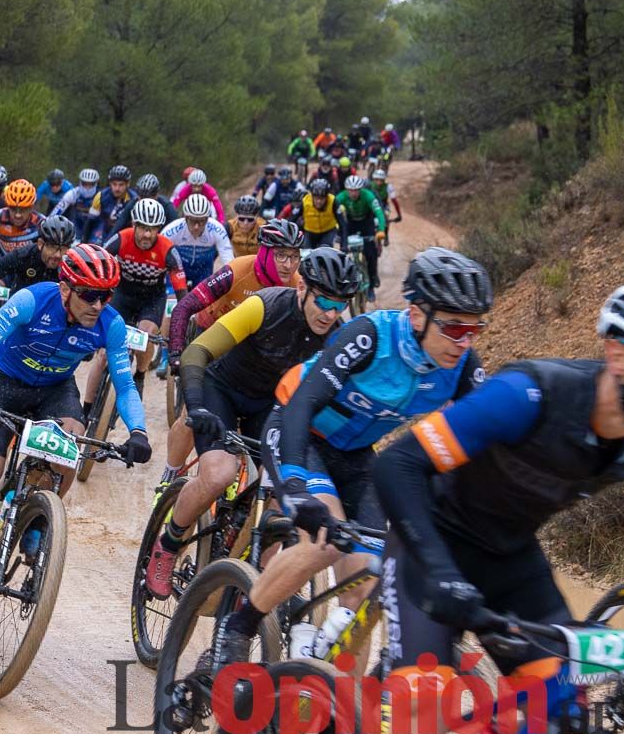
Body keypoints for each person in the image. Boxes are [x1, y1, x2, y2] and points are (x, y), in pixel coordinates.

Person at [369, 278, 624, 734]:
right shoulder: (530, 395)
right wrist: (441, 574)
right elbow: (397, 464)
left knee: (567, 721)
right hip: (431, 549)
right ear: (620, 357)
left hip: (511, 559)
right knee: (420, 730)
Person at [207, 249, 491, 675]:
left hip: (356, 455)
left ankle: (332, 715)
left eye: (474, 329)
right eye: (453, 327)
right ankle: (237, 627)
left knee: (365, 582)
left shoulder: (463, 365)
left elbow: (482, 447)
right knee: (325, 540)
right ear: (416, 315)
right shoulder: (369, 336)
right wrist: (299, 486)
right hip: (297, 431)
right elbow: (304, 402)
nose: (463, 341)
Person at [0, 244, 153, 609]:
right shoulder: (33, 300)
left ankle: (35, 521)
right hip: (5, 382)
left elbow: (125, 385)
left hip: (55, 390)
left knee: (69, 452)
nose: (98, 304)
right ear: (66, 289)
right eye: (90, 295)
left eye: (106, 295)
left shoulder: (110, 324)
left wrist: (138, 432)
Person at [143, 249, 358, 598]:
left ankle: (253, 583)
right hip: (222, 389)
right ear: (302, 288)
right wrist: (196, 407)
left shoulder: (338, 336)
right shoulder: (266, 305)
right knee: (219, 473)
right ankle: (168, 544)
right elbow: (198, 352)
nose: (331, 314)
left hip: (272, 408)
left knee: (285, 494)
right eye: (324, 302)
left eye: (340, 305)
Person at [156, 219, 307, 491]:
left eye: (295, 256)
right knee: (192, 415)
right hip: (211, 336)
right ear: (264, 253)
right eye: (281, 255)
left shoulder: (297, 286)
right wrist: (176, 352)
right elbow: (185, 306)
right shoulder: (238, 270)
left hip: (252, 355)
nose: (288, 264)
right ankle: (169, 475)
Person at [86, 198, 188, 403]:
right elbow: (99, 264)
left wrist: (182, 325)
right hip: (123, 295)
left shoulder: (168, 250)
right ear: (134, 225)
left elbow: (182, 296)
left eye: (153, 229)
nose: (147, 234)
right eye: (143, 228)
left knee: (146, 335)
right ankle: (86, 407)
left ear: (159, 229)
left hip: (152, 299)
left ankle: (140, 374)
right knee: (104, 355)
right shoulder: (121, 239)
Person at [0, 216, 76, 338]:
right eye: (52, 247)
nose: (57, 255)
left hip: (50, 319)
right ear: (40, 244)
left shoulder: (72, 266)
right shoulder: (23, 255)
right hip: (17, 313)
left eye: (64, 249)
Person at [161, 193, 234, 288]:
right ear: (185, 217)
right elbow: (159, 258)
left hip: (203, 271)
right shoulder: (172, 230)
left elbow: (229, 262)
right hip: (178, 270)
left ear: (208, 218)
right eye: (192, 220)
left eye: (201, 221)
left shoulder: (217, 230)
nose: (196, 226)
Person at [336, 175, 386, 301]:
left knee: (371, 253)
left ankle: (372, 284)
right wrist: (336, 230)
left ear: (361, 189)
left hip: (366, 223)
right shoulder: (341, 197)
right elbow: (332, 212)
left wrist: (381, 230)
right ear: (346, 189)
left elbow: (379, 212)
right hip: (350, 223)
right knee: (343, 250)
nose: (353, 193)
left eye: (356, 190)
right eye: (350, 190)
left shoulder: (368, 195)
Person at [112, 173, 179, 236]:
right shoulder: (133, 204)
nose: (145, 201)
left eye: (149, 198)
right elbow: (118, 227)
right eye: (141, 197)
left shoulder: (167, 207)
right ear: (137, 196)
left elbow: (176, 230)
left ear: (157, 195)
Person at [84, 165, 136, 244]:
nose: (117, 188)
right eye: (114, 184)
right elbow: (90, 221)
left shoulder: (134, 199)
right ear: (110, 183)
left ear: (128, 184)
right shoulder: (100, 196)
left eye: (121, 185)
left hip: (126, 237)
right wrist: (84, 242)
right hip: (105, 234)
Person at [283, 177, 339, 249]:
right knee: (306, 253)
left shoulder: (333, 201)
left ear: (327, 196)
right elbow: (292, 219)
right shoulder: (305, 201)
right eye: (316, 197)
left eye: (322, 198)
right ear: (311, 195)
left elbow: (342, 223)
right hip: (310, 232)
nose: (319, 201)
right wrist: (286, 238)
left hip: (328, 231)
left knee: (325, 251)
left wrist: (344, 244)